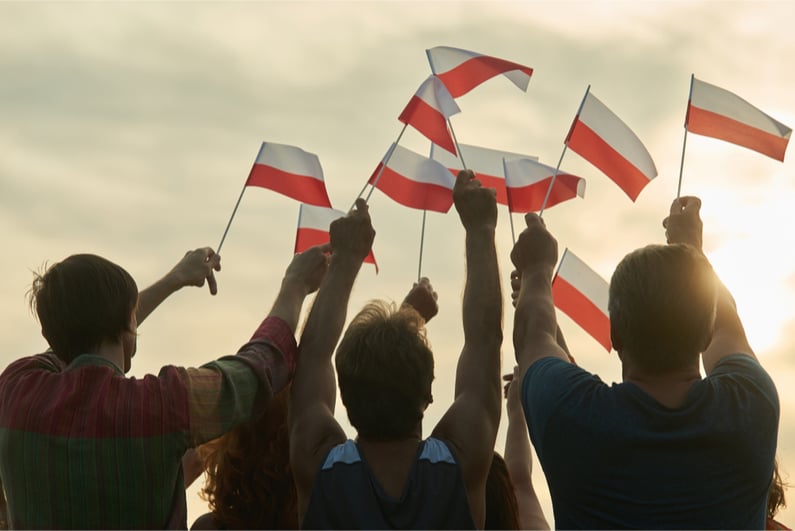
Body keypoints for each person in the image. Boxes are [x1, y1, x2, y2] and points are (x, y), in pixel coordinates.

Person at [0, 245, 328, 529]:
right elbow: (258, 368)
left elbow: (75, 336)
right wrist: (294, 286)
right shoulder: (160, 406)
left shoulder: (16, 390)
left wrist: (174, 280)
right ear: (130, 321)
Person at [511, 196, 779, 528]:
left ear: (616, 336)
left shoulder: (571, 416)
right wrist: (691, 250)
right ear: (705, 335)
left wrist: (536, 269)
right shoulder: (751, 406)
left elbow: (532, 337)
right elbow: (728, 328)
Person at [290, 171, 503, 529]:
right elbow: (484, 341)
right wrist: (480, 230)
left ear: (345, 396)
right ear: (428, 392)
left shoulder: (318, 465)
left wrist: (345, 259)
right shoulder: (461, 463)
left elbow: (311, 357)